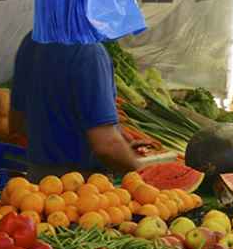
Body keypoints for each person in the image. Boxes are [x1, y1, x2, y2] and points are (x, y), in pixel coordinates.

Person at [9, 34, 141, 182]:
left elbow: (16, 123)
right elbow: (106, 145)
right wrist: (141, 175)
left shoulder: (32, 39)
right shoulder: (90, 52)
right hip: (81, 186)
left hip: (37, 182)